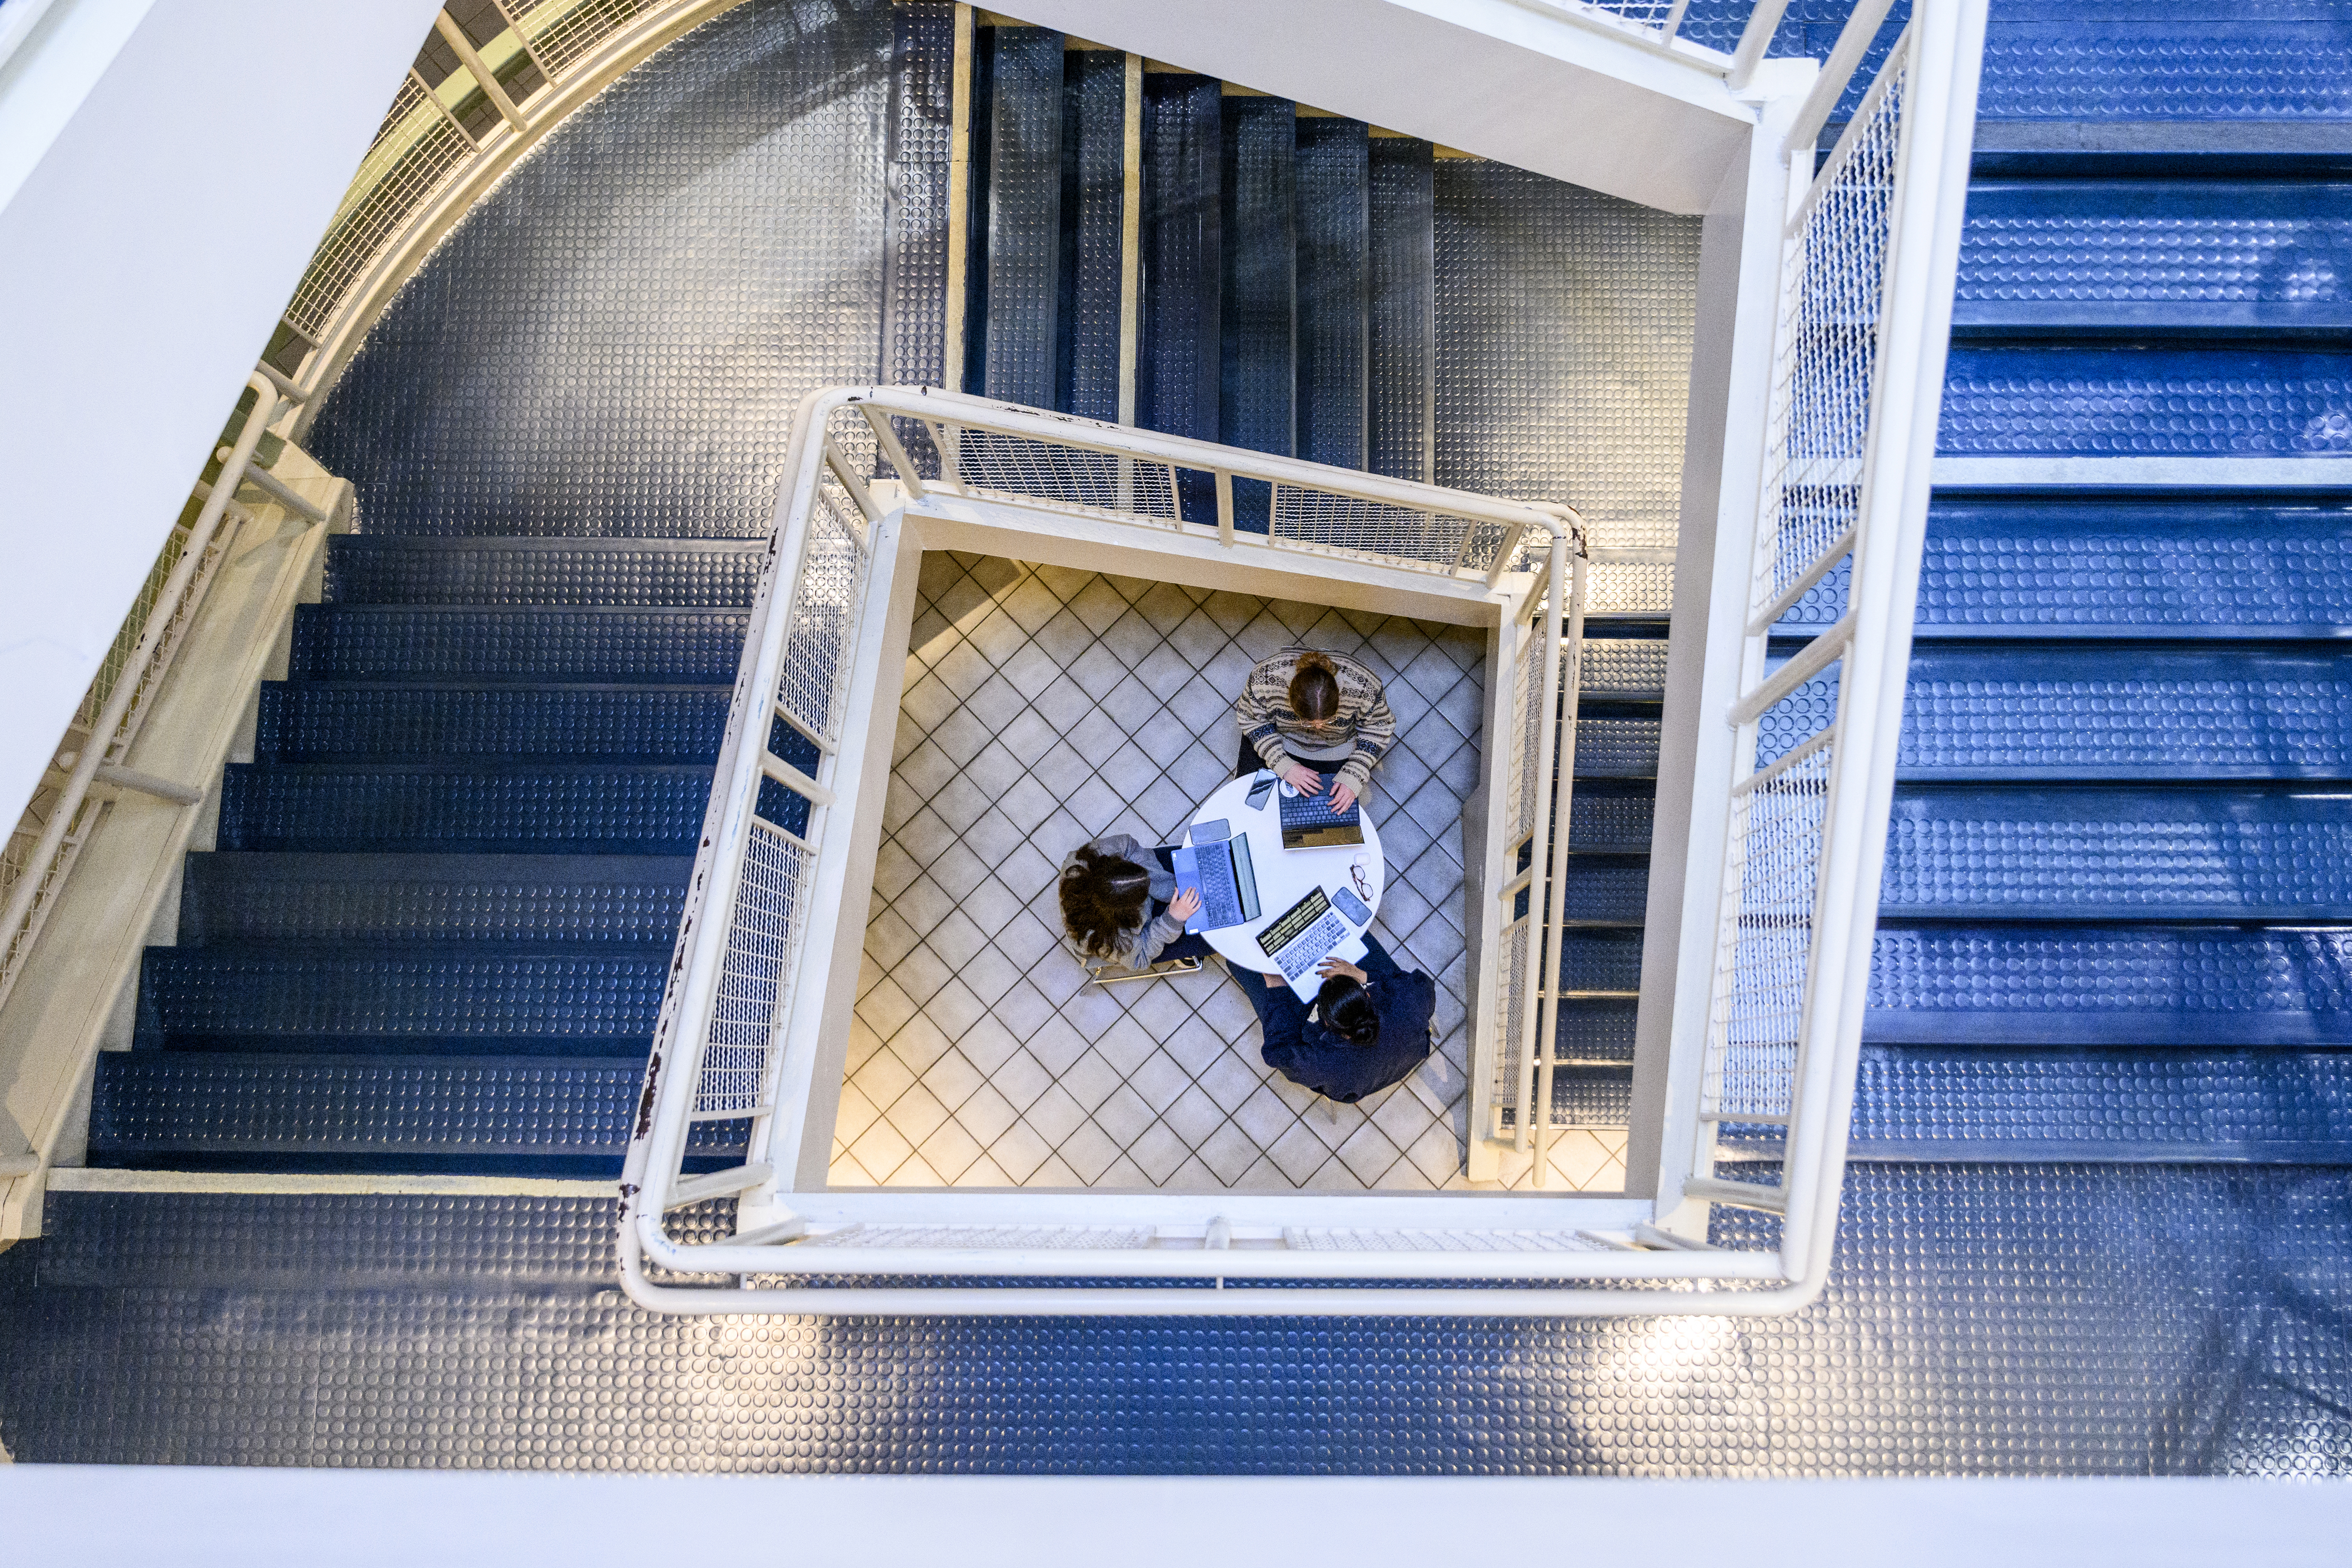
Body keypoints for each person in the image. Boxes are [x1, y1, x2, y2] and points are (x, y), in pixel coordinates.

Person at [1241, 934, 1437, 1103]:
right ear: (1367, 995)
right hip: (1410, 1053)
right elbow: (1421, 983)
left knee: (1248, 975)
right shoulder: (1410, 1003)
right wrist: (1362, 975)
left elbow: (1276, 1053)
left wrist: (1278, 990)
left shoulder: (1324, 1064)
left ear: (1325, 1023)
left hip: (1353, 1083)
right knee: (1376, 960)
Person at [1232, 647, 1396, 814]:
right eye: (1308, 722)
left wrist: (1355, 772)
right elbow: (1251, 719)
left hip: (1335, 749)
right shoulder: (1264, 678)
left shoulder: (1366, 688)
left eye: (1328, 721)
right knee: (1248, 808)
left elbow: (1379, 728)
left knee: (1327, 818)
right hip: (1282, 740)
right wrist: (1283, 764)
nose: (1318, 728)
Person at [1057, 833, 1212, 976]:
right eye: (1141, 894)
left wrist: (1166, 888)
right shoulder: (1107, 939)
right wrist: (1173, 919)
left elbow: (1129, 846)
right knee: (1208, 942)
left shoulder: (1090, 856)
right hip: (1136, 939)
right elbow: (1140, 958)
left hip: (1150, 880)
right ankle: (1184, 955)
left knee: (1203, 855)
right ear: (1127, 911)